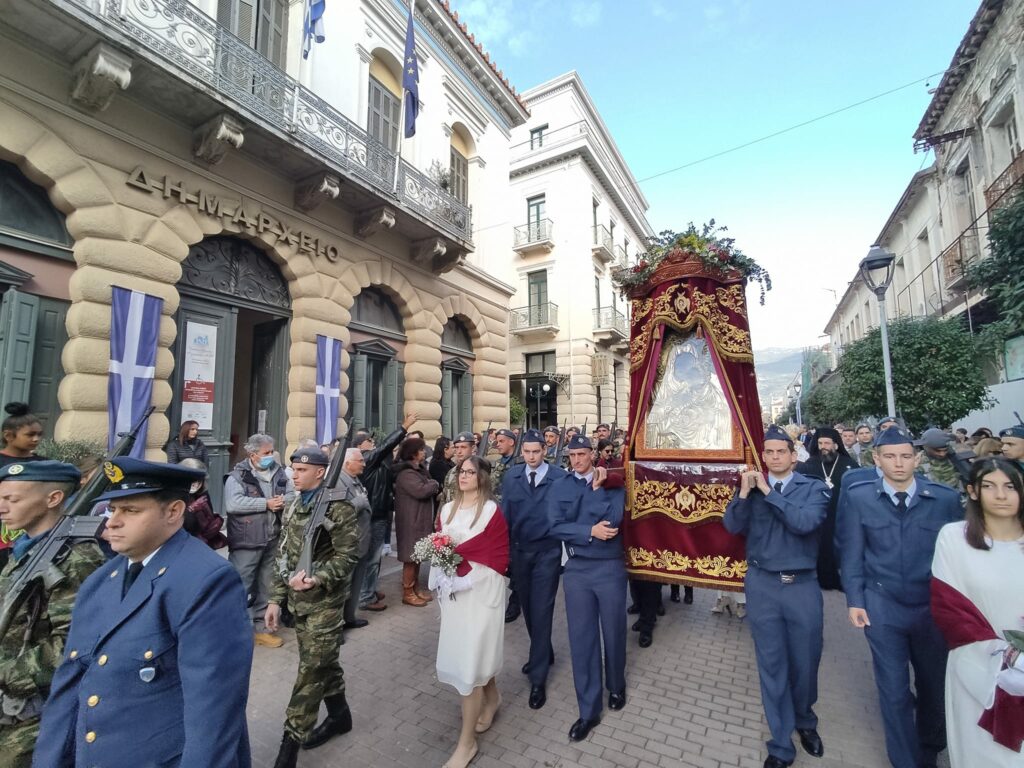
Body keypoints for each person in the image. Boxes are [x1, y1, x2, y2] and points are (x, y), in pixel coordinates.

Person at [33, 457, 253, 767]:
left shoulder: (205, 580)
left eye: (130, 510)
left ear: (174, 512)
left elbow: (213, 710)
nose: (112, 522)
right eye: (113, 510)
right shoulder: (101, 581)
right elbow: (69, 686)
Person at [836, 426, 963, 768]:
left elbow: (960, 558)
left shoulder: (945, 500)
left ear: (917, 458)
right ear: (876, 459)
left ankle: (929, 749)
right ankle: (904, 761)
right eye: (890, 456)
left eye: (906, 456)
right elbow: (851, 553)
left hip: (931, 609)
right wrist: (855, 601)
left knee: (933, 686)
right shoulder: (860, 497)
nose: (899, 464)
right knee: (893, 691)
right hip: (882, 606)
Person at [724, 426, 830, 768]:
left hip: (801, 586)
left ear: (793, 455)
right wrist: (743, 493)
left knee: (806, 662)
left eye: (780, 452)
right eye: (767, 452)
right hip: (763, 584)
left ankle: (805, 720)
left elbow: (804, 522)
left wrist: (768, 491)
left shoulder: (813, 488)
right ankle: (781, 744)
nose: (773, 457)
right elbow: (731, 527)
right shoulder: (750, 490)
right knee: (772, 665)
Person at [0, 460, 105, 767]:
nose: (2, 506)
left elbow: (75, 645)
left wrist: (7, 673)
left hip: (36, 713)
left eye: (12, 499)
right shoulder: (27, 548)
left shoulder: (75, 556)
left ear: (53, 498)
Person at [265, 447, 360, 767]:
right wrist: (275, 599)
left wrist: (318, 578)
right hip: (297, 601)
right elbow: (284, 555)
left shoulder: (339, 508)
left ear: (320, 472)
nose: (294, 475)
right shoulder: (293, 505)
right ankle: (340, 717)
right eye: (293, 469)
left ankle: (289, 746)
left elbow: (348, 557)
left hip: (326, 604)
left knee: (310, 672)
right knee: (322, 664)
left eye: (302, 470)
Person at [931, 458, 1024, 767]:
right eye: (990, 486)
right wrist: (1011, 658)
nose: (1001, 495)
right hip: (977, 665)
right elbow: (951, 611)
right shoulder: (954, 539)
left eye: (1010, 486)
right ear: (972, 491)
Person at [548, 434, 626, 742]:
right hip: (578, 568)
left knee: (614, 631)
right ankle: (588, 710)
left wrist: (594, 494)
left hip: (609, 566)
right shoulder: (561, 486)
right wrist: (587, 529)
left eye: (582, 454)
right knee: (582, 639)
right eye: (573, 455)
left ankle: (616, 685)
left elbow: (613, 521)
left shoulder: (612, 482)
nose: (577, 460)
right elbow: (554, 526)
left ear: (592, 454)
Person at [433, 455, 509, 768]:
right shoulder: (446, 509)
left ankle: (466, 744)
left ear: (482, 478)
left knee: (470, 665)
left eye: (470, 472)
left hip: (481, 594)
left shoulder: (491, 511)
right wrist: (441, 577)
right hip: (454, 597)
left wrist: (466, 580)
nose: (463, 476)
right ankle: (493, 699)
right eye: (460, 471)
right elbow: (438, 549)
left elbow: (496, 558)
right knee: (470, 657)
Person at [500, 429, 567, 710]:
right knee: (527, 608)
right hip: (520, 553)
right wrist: (504, 557)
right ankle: (545, 650)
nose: (531, 457)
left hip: (548, 553)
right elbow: (505, 517)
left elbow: (567, 515)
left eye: (536, 452)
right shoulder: (512, 477)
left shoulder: (559, 478)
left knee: (542, 609)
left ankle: (538, 678)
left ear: (545, 451)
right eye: (526, 452)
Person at [224, 433, 295, 647]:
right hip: (247, 540)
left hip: (273, 537)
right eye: (266, 453)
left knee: (268, 584)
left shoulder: (279, 472)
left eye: (271, 452)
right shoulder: (237, 476)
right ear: (253, 454)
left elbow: (293, 494)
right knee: (241, 585)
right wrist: (265, 504)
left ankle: (262, 628)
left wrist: (283, 500)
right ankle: (236, 630)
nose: (270, 456)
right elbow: (233, 504)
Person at [355, 413, 418, 612]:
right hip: (372, 517)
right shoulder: (366, 459)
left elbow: (389, 468)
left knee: (374, 559)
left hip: (379, 513)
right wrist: (403, 428)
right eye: (369, 440)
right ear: (359, 446)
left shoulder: (374, 462)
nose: (373, 442)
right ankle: (365, 596)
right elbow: (385, 448)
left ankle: (370, 590)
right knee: (371, 559)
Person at [796, 426, 858, 591]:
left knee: (844, 547)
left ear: (836, 445)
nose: (823, 446)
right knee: (821, 546)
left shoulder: (849, 464)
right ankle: (822, 578)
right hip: (819, 513)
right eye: (820, 442)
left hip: (842, 513)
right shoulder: (810, 464)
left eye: (827, 443)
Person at [393, 437, 440, 606]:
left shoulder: (418, 470)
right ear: (413, 453)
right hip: (410, 522)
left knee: (417, 556)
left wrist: (431, 484)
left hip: (417, 520)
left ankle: (416, 588)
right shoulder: (406, 474)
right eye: (421, 450)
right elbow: (421, 491)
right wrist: (434, 484)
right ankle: (408, 592)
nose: (424, 452)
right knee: (410, 558)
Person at [0, 404, 45, 570]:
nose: (36, 439)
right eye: (30, 435)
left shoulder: (44, 464)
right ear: (9, 436)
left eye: (39, 435)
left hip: (31, 534)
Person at [336, 448, 372, 636]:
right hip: (347, 543)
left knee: (356, 583)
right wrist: (359, 502)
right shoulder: (338, 480)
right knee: (344, 586)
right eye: (360, 460)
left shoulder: (354, 479)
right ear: (347, 462)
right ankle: (337, 626)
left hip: (360, 541)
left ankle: (349, 617)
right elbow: (340, 510)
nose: (364, 463)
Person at [178, 458, 227, 550]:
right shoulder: (174, 493)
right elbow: (179, 524)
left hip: (205, 540)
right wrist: (191, 509)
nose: (196, 484)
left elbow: (210, 515)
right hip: (185, 542)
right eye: (193, 479)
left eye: (198, 480)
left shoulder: (202, 492)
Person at [915, 428, 968, 493]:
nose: (942, 454)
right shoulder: (918, 462)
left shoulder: (953, 457)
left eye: (945, 450)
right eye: (937, 451)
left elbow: (967, 475)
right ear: (925, 447)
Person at [441, 432, 476, 506]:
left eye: (463, 447)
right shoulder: (451, 472)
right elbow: (444, 499)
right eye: (456, 447)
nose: (459, 451)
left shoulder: (479, 471)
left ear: (472, 448)